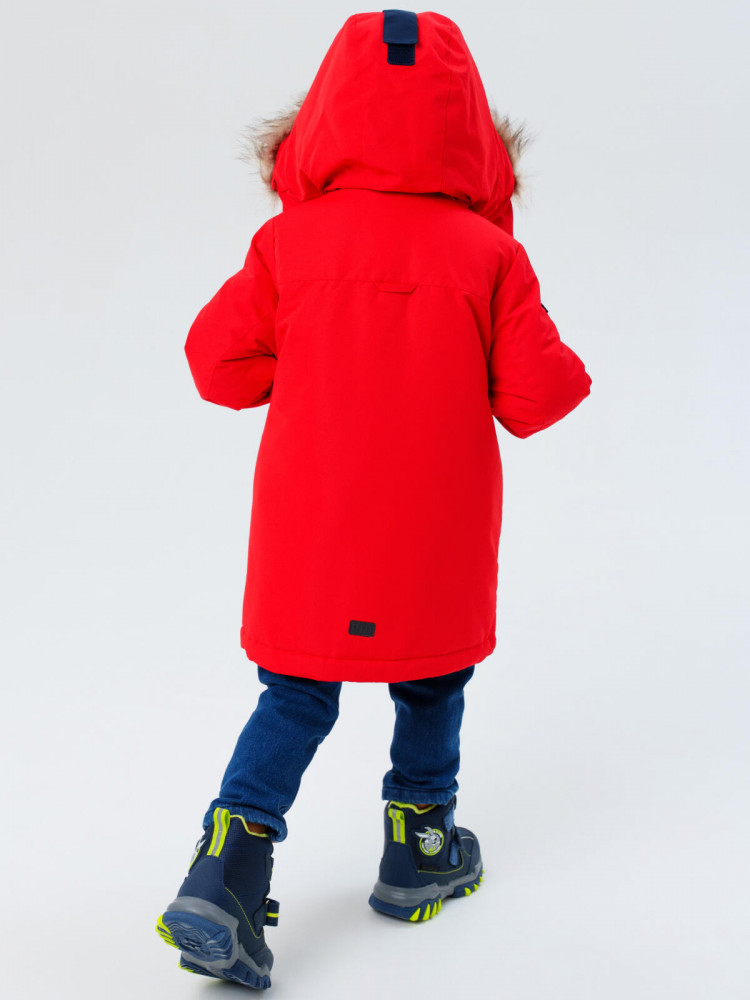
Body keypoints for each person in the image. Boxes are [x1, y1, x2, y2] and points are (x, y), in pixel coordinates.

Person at [155, 9, 592, 989]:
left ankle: (228, 863)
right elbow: (539, 397)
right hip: (432, 536)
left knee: (295, 693)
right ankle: (420, 846)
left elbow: (217, 366)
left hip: (311, 531)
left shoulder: (288, 244)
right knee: (432, 680)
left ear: (323, 120)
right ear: (470, 130)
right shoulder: (485, 256)